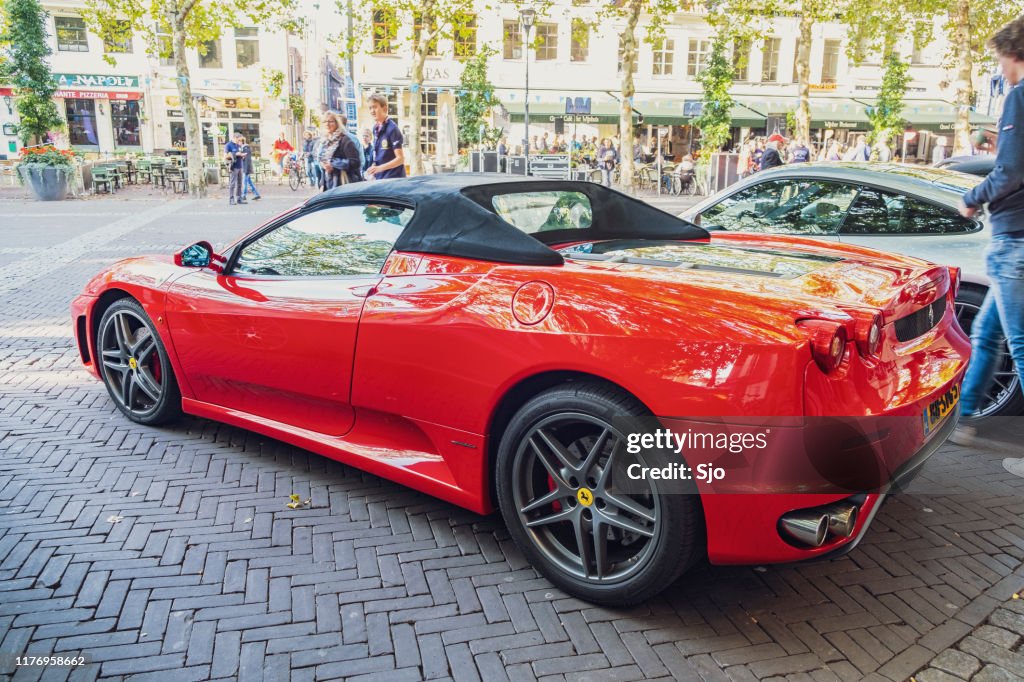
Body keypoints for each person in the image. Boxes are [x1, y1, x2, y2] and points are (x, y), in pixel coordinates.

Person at [953, 15, 1024, 443]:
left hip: (1013, 239)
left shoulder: (1019, 96)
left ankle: (965, 417)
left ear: (1013, 54)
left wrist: (972, 197)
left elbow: (1010, 170)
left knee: (1019, 342)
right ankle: (964, 418)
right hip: (1016, 243)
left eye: (1000, 59)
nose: (999, 69)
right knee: (988, 332)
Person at [365, 93, 406, 179]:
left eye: (375, 107)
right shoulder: (375, 128)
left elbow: (400, 159)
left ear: (385, 108)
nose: (372, 111)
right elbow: (381, 154)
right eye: (370, 108)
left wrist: (379, 168)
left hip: (393, 180)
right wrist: (374, 166)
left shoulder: (392, 129)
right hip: (381, 178)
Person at [318, 111, 361, 189]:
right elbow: (324, 163)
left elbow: (356, 162)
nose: (327, 124)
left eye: (330, 121)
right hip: (329, 185)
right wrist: (322, 183)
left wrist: (334, 165)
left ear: (337, 123)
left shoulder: (345, 140)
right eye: (325, 122)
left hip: (344, 185)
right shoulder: (325, 141)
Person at [340, 114, 365, 179]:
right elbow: (361, 160)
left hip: (342, 176)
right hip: (353, 175)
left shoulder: (332, 139)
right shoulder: (354, 138)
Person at [224, 132, 246, 205]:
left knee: (240, 183)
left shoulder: (237, 145)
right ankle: (231, 199)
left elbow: (239, 153)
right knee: (232, 183)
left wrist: (242, 155)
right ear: (235, 138)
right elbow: (226, 156)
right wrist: (235, 154)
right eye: (239, 139)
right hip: (233, 166)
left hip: (240, 166)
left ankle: (239, 198)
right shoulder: (228, 145)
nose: (239, 141)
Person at [239, 135, 260, 201]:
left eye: (239, 141)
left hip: (246, 168)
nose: (238, 143)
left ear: (241, 142)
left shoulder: (246, 148)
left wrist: (246, 169)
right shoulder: (244, 148)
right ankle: (257, 194)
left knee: (244, 182)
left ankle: (243, 195)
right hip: (246, 168)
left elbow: (247, 160)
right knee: (249, 182)